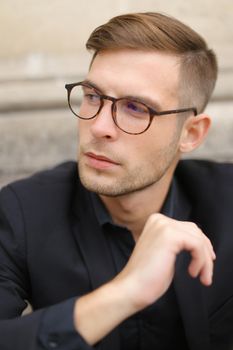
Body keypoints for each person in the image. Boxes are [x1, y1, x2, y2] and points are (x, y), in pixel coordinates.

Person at [0, 11, 232, 350]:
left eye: (136, 108)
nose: (98, 127)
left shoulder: (228, 203)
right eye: (93, 96)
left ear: (191, 133)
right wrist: (124, 293)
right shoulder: (20, 214)